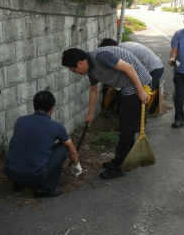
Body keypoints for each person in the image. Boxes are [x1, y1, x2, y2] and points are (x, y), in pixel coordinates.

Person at [61, 47, 151, 179]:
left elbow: (129, 68)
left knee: (126, 129)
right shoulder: (91, 70)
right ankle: (126, 161)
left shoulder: (100, 57)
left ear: (80, 63)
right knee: (127, 127)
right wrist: (90, 114)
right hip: (126, 87)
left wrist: (141, 91)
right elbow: (93, 90)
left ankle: (117, 167)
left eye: (74, 70)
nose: (76, 73)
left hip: (138, 84)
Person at [4, 91, 82, 198]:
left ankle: (18, 184)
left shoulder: (20, 120)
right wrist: (76, 165)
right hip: (35, 177)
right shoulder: (56, 127)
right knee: (64, 147)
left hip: (10, 173)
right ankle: (46, 188)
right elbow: (72, 149)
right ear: (51, 109)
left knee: (23, 145)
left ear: (34, 106)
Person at [99, 38, 165, 113]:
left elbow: (129, 72)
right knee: (135, 93)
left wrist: (115, 89)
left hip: (153, 69)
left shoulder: (123, 52)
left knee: (141, 95)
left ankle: (139, 120)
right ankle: (127, 116)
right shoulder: (123, 47)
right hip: (152, 67)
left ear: (113, 46)